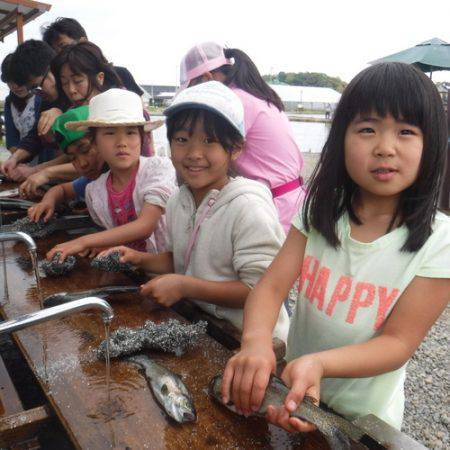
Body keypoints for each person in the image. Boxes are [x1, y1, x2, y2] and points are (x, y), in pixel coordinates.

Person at [221, 62, 450, 431]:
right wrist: (257, 342)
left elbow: (398, 343)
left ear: (432, 145)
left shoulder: (441, 241)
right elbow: (271, 287)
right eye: (367, 129)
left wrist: (321, 364)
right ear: (341, 137)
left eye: (406, 131)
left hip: (366, 418)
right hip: (296, 394)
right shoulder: (319, 208)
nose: (385, 148)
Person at [98, 81, 290, 340]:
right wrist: (139, 259)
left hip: (250, 340)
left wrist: (185, 286)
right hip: (203, 326)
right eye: (182, 139)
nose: (194, 153)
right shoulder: (178, 200)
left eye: (209, 141)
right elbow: (182, 259)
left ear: (235, 148)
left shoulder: (248, 207)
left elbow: (262, 290)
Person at [178, 42, 305, 233]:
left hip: (274, 208)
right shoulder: (254, 95)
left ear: (207, 78)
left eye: (192, 89)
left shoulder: (232, 101)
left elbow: (207, 158)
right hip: (293, 200)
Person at [46, 88, 177, 261]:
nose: (121, 143)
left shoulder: (158, 169)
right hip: (128, 272)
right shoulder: (94, 191)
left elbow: (145, 225)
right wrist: (104, 243)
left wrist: (84, 241)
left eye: (130, 133)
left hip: (168, 273)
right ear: (95, 142)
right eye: (109, 133)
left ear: (142, 138)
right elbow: (116, 234)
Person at [0, 40, 66, 181]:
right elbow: (36, 136)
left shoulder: (74, 94)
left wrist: (34, 171)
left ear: (52, 68)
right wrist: (15, 158)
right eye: (32, 89)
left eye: (38, 85)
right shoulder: (48, 99)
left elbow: (79, 157)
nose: (37, 93)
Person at [28, 106, 106, 223]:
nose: (82, 163)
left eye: (85, 150)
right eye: (72, 158)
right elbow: (62, 190)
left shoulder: (135, 176)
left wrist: (82, 242)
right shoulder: (93, 181)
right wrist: (47, 202)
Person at [41, 17, 144, 97]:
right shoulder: (62, 86)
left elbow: (142, 114)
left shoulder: (121, 74)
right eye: (54, 52)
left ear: (83, 41)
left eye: (63, 47)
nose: (72, 90)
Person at [1, 54, 41, 154]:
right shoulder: (9, 102)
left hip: (46, 162)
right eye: (10, 81)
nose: (15, 86)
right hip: (22, 161)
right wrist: (17, 161)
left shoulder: (42, 97)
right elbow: (11, 139)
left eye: (19, 80)